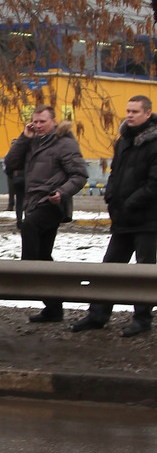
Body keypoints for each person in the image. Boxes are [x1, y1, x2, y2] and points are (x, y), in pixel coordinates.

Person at [71, 95, 157, 337]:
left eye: (135, 111)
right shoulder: (123, 141)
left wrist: (130, 202)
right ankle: (97, 315)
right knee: (109, 269)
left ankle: (142, 319)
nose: (129, 115)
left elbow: (154, 184)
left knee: (144, 272)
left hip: (147, 220)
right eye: (128, 110)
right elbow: (116, 174)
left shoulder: (154, 142)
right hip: (122, 219)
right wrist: (111, 197)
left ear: (147, 114)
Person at [4, 105, 89, 322]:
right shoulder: (31, 141)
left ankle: (27, 272)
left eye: (43, 121)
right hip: (33, 202)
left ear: (53, 121)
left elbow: (79, 175)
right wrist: (24, 138)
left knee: (29, 227)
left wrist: (62, 192)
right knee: (43, 255)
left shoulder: (65, 143)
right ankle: (53, 308)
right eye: (35, 122)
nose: (38, 126)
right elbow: (10, 163)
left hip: (53, 203)